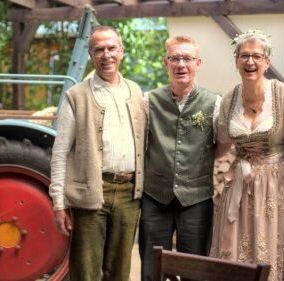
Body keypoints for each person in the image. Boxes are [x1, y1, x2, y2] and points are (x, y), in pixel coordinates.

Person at [49, 26, 146, 281]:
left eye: (112, 48)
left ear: (122, 51)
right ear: (91, 55)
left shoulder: (135, 92)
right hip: (90, 192)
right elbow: (59, 152)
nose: (106, 55)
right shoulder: (76, 96)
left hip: (128, 195)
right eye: (99, 50)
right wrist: (59, 203)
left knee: (119, 271)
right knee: (86, 271)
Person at [210, 29, 284, 281]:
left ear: (267, 63)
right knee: (235, 248)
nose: (250, 62)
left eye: (257, 56)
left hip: (275, 185)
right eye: (244, 56)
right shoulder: (228, 99)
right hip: (239, 183)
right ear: (236, 61)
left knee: (270, 248)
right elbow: (222, 144)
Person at [139, 36, 221, 281]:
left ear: (198, 63)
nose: (181, 64)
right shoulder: (148, 100)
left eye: (187, 58)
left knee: (194, 269)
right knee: (151, 268)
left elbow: (223, 146)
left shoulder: (214, 103)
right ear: (166, 62)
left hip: (196, 198)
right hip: (155, 196)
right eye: (175, 58)